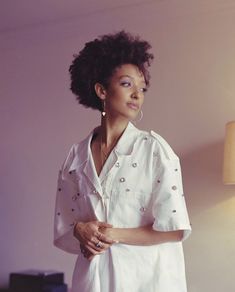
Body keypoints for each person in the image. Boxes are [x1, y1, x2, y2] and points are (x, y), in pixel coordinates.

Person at [54, 31, 191, 292]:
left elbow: (175, 229)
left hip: (144, 280)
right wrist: (79, 230)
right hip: (93, 280)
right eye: (128, 84)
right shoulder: (75, 157)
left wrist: (112, 234)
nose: (137, 94)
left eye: (142, 88)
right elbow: (66, 227)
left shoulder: (155, 151)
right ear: (102, 90)